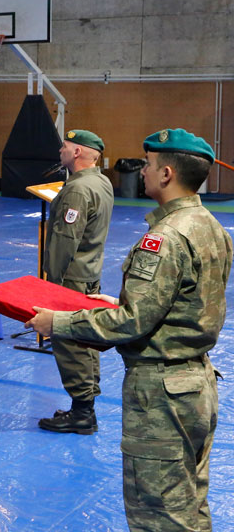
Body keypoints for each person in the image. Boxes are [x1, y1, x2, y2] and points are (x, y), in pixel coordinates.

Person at [27, 128, 232, 532]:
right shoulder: (210, 225)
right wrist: (119, 305)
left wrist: (58, 322)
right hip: (197, 383)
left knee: (159, 515)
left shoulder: (165, 238)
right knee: (191, 507)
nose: (143, 172)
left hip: (163, 395)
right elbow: (176, 304)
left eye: (150, 165)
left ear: (168, 173)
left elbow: (132, 323)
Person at [37, 129, 114, 435]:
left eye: (65, 146)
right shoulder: (101, 182)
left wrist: (51, 284)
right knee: (86, 340)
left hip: (70, 278)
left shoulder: (77, 191)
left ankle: (82, 412)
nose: (61, 151)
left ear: (78, 152)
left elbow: (65, 240)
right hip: (89, 274)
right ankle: (86, 404)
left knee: (70, 344)